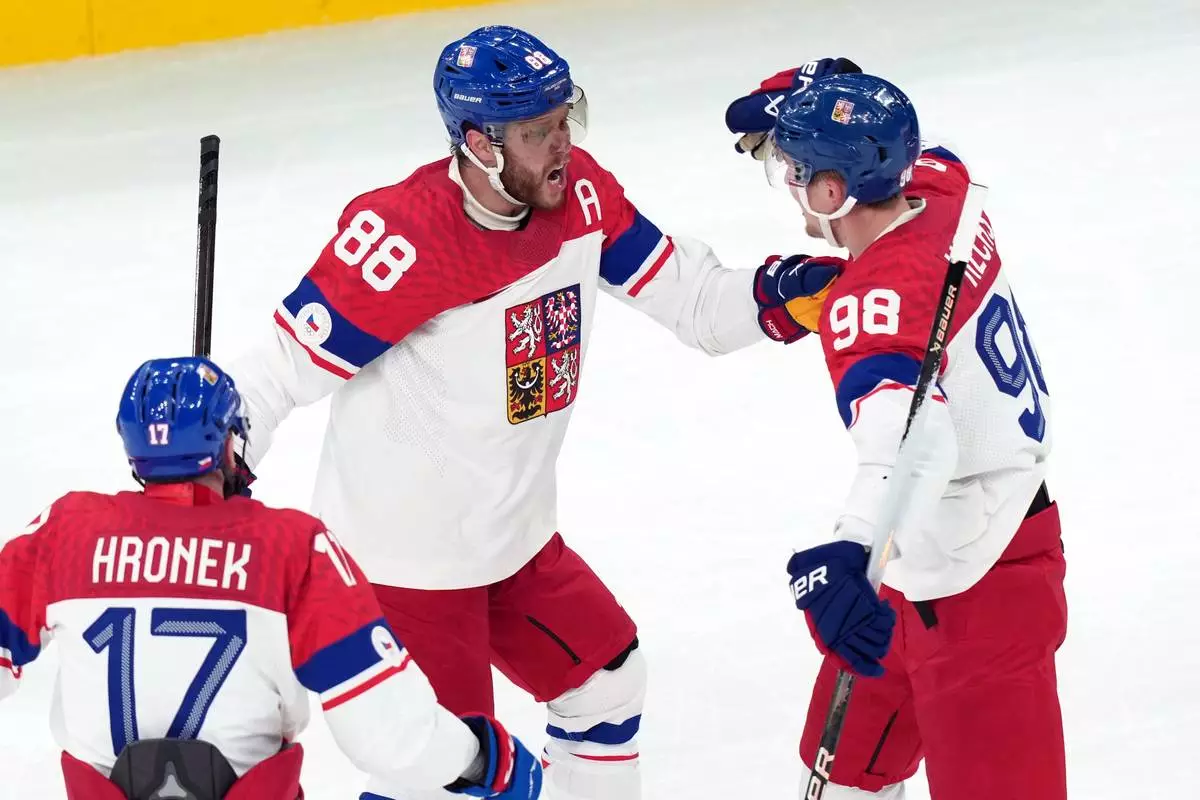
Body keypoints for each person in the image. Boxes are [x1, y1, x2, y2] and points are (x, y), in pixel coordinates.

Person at [224, 24, 820, 800]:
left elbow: (694, 301)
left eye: (564, 119)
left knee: (606, 686)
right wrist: (216, 456)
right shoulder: (406, 238)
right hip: (410, 563)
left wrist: (778, 295)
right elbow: (279, 368)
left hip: (514, 540)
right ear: (477, 142)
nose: (561, 144)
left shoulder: (584, 198)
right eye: (537, 132)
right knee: (440, 772)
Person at [725, 68, 1067, 798]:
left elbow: (915, 443)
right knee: (844, 776)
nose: (785, 177)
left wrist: (851, 548)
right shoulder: (942, 183)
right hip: (914, 566)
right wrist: (800, 93)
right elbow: (876, 110)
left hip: (984, 582)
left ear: (830, 192)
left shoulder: (869, 309)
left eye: (793, 167)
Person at [0, 357, 541, 800]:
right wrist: (485, 761)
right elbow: (390, 733)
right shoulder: (291, 547)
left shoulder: (66, 531)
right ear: (231, 442)